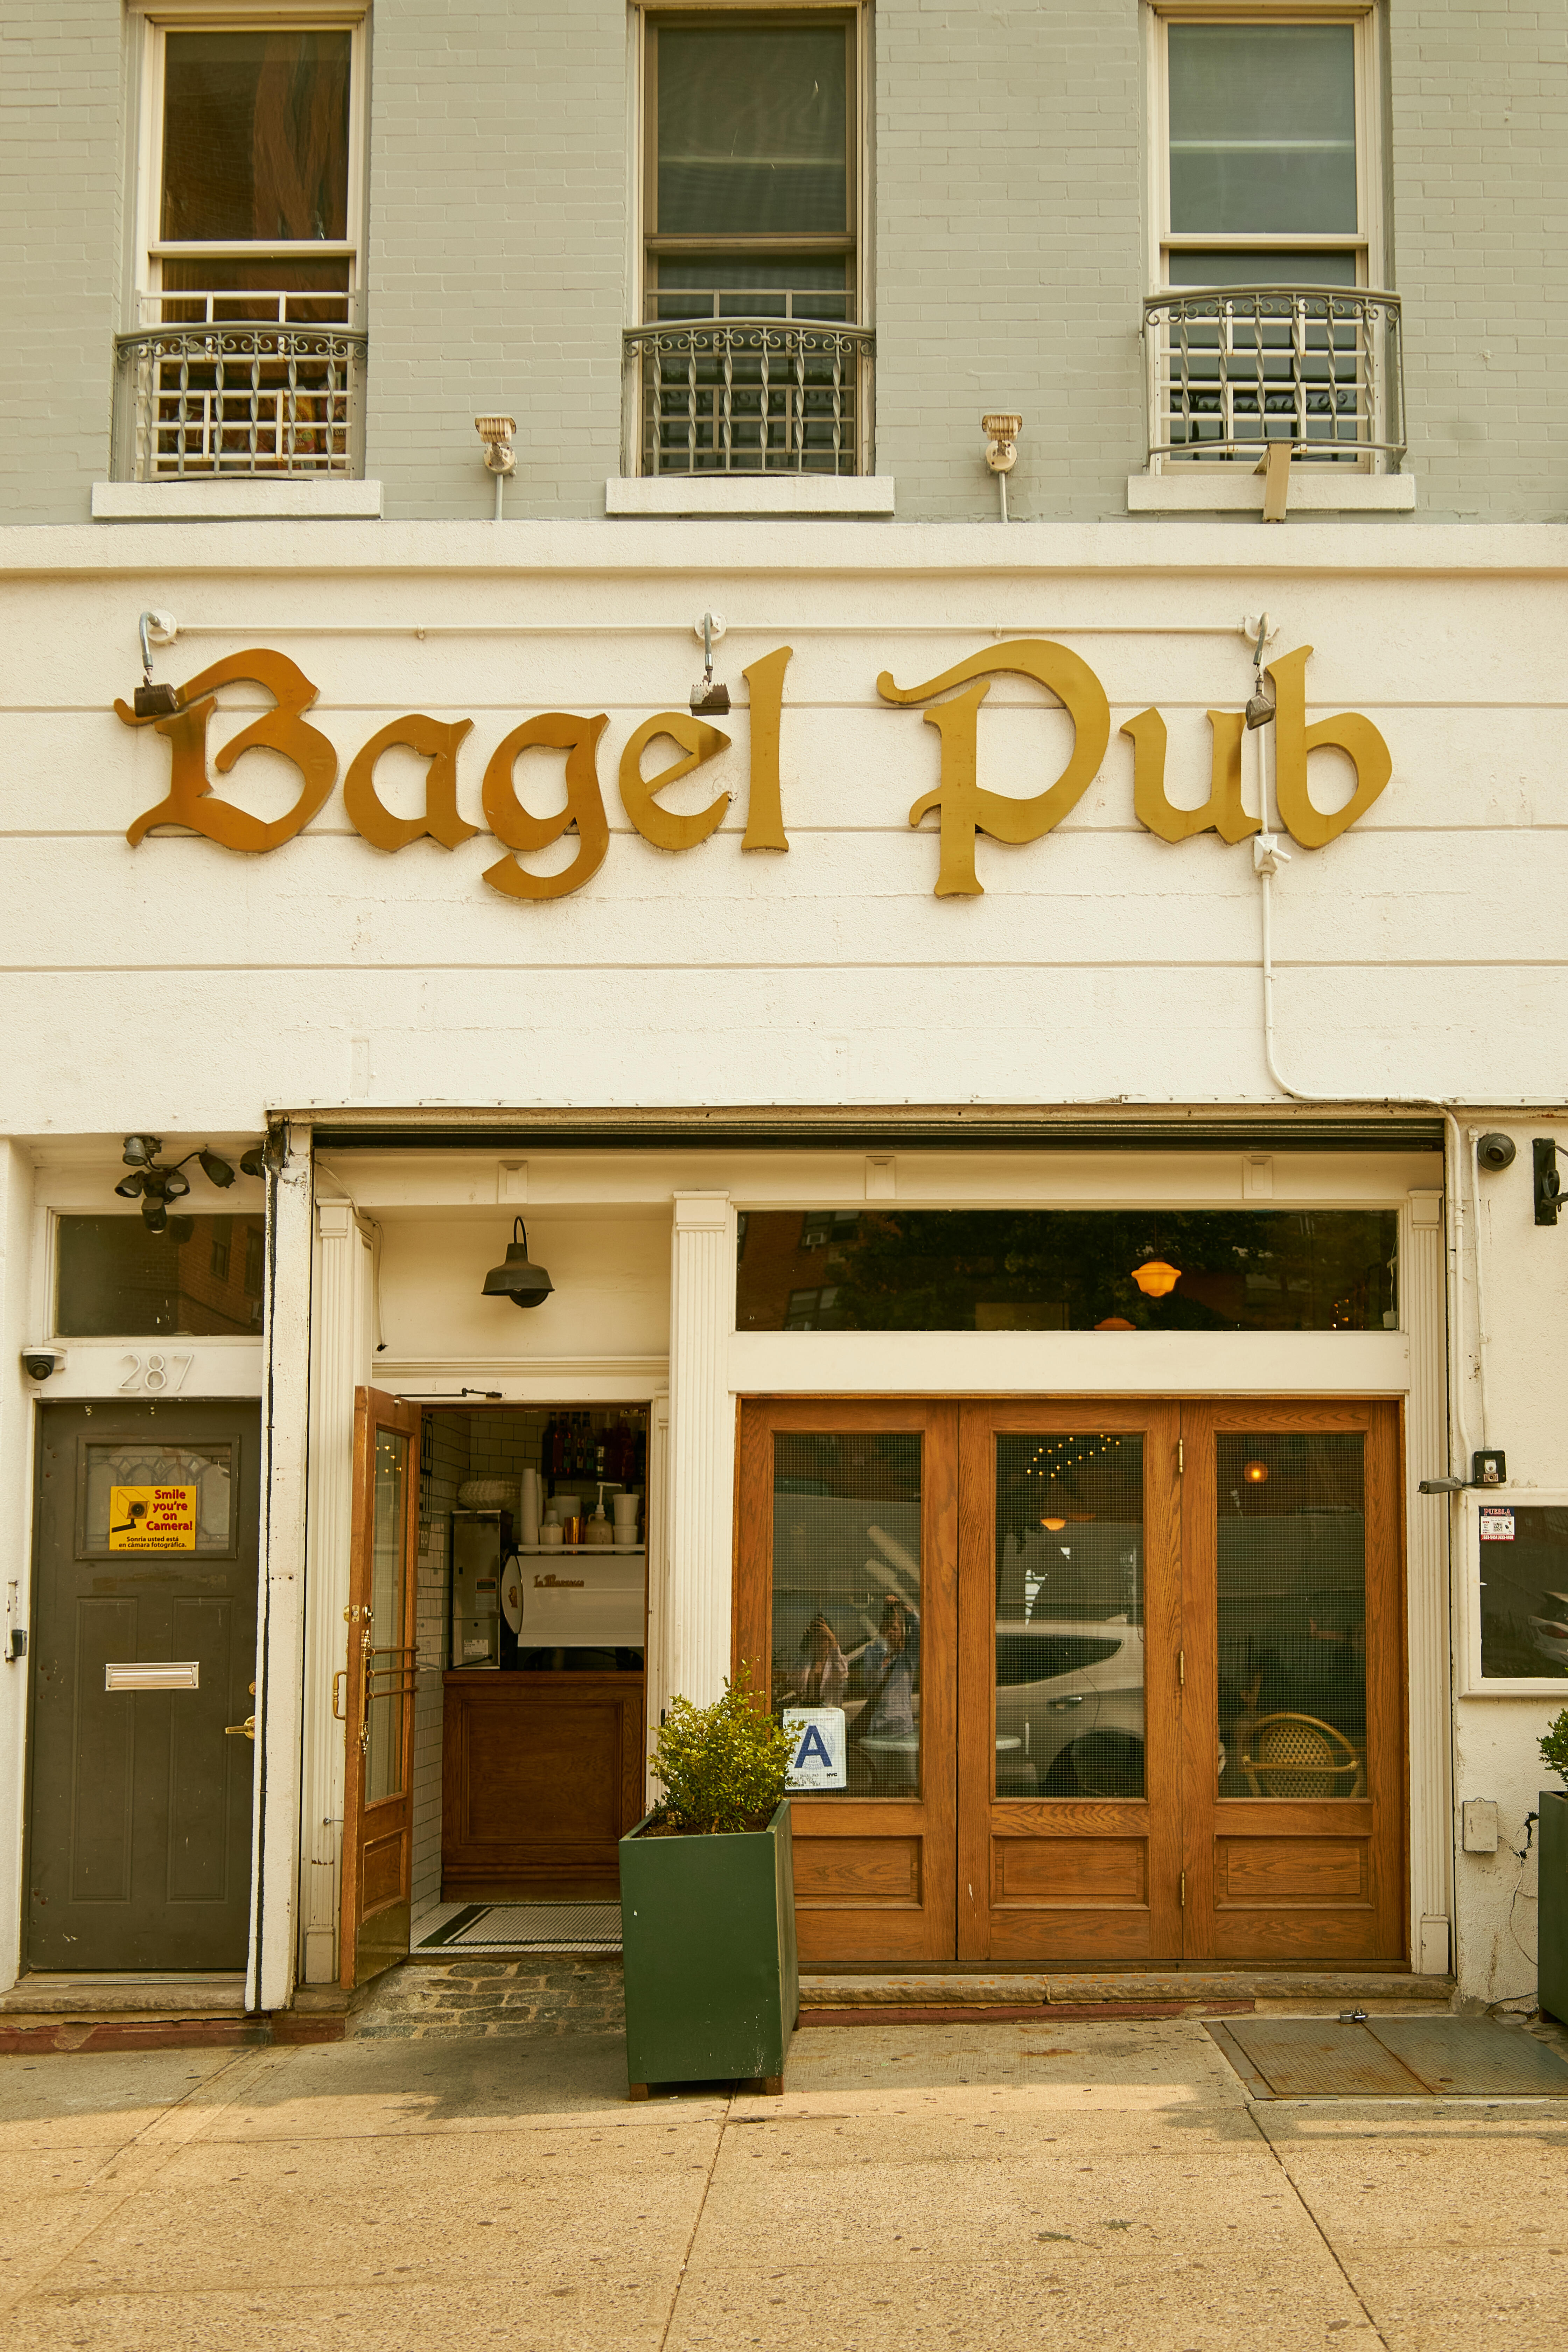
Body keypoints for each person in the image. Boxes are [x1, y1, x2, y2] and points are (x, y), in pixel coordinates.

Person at [794, 1612, 848, 1708]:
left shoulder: (836, 1662)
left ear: (829, 1638)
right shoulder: (806, 1663)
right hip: (806, 1711)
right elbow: (794, 1682)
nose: (819, 1640)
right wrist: (804, 1645)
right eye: (815, 1637)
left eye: (822, 1636)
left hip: (829, 1714)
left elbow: (842, 1674)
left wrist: (832, 1638)